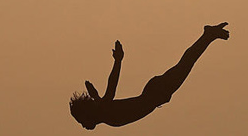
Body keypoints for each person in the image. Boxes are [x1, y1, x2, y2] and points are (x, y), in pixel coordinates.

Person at [69, 23, 229, 129]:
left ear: (89, 114)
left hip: (156, 93)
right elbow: (103, 98)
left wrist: (118, 61)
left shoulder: (104, 111)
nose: (83, 125)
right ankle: (208, 36)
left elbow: (111, 88)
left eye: (82, 121)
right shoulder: (103, 110)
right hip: (154, 92)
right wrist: (94, 94)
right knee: (185, 64)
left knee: (186, 63)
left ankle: (208, 35)